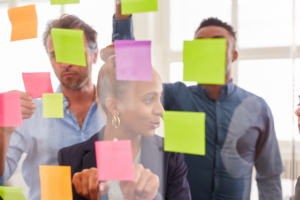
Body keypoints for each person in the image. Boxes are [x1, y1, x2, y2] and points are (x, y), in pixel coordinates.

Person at [112, 2, 284, 199]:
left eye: (217, 42)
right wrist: (123, 18)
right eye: (201, 43)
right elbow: (132, 78)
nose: (207, 49)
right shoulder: (175, 96)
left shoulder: (258, 108)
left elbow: (269, 176)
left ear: (233, 55)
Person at [57, 45, 191, 200]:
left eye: (159, 98)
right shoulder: (70, 159)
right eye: (149, 99)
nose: (161, 110)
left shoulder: (171, 156)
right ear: (114, 106)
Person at [0, 15, 106, 200]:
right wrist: (3, 132)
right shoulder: (30, 112)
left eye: (72, 51)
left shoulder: (116, 111)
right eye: (56, 54)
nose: (64, 64)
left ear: (95, 54)